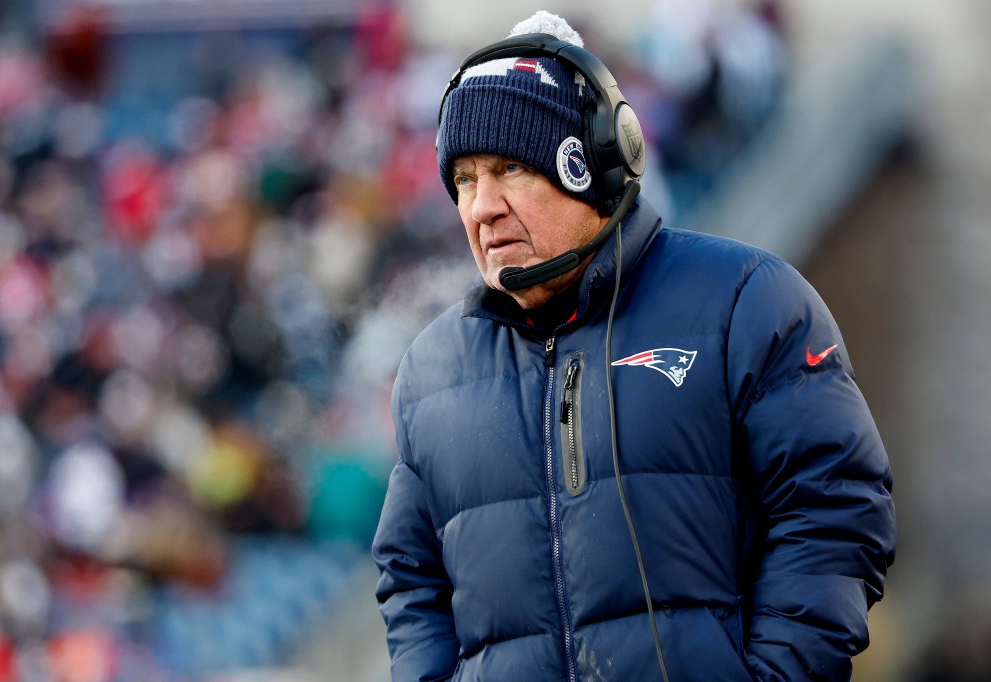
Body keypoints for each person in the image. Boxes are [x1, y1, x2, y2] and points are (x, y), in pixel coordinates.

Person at [372, 10, 896, 682]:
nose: (482, 206)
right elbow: (410, 578)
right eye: (466, 179)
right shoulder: (431, 371)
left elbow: (834, 507)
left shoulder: (746, 302)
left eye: (510, 169)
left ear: (592, 164)